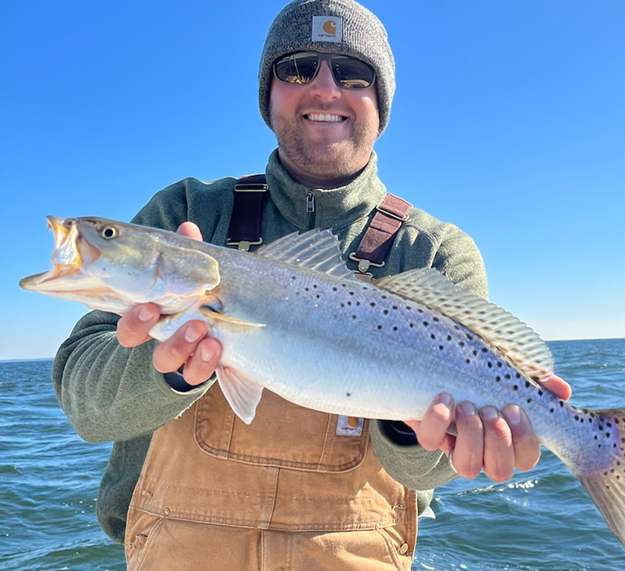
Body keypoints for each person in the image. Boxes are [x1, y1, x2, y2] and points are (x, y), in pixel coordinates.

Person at [53, 1, 571, 569]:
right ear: (268, 93)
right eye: (298, 68)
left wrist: (418, 427)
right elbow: (87, 411)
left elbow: (427, 475)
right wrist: (169, 368)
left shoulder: (435, 252)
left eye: (353, 74)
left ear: (381, 102)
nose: (326, 90)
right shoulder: (185, 214)